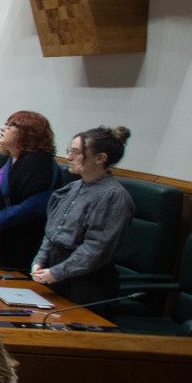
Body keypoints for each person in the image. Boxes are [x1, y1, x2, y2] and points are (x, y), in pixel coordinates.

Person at [31, 126, 136, 309]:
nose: (69, 157)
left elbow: (96, 248)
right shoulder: (71, 188)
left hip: (87, 281)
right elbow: (52, 233)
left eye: (76, 152)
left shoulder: (113, 195)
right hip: (57, 270)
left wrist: (57, 272)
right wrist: (40, 260)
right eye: (69, 151)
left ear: (100, 158)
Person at [0, 110, 60, 272]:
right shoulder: (7, 159)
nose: (2, 128)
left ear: (28, 133)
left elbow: (37, 205)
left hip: (24, 246)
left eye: (10, 125)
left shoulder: (37, 162)